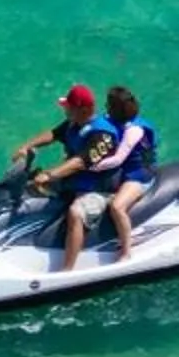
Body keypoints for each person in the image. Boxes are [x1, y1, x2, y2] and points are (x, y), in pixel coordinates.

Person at [61, 84, 158, 268]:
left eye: (108, 105)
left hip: (139, 176)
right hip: (126, 173)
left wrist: (90, 166)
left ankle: (126, 251)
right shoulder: (112, 121)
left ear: (117, 108)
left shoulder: (134, 130)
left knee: (117, 206)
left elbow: (118, 159)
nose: (105, 108)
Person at [10, 82, 98, 181]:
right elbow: (53, 134)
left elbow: (80, 162)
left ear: (83, 111)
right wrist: (26, 146)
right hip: (68, 177)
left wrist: (49, 175)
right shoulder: (75, 122)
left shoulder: (99, 134)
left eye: (69, 108)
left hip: (86, 185)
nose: (65, 110)